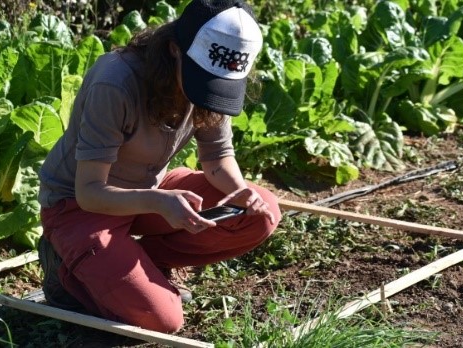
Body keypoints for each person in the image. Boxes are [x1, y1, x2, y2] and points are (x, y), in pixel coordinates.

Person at [37, 0, 281, 333]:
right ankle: (65, 272)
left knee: (262, 211)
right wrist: (157, 202)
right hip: (79, 207)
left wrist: (240, 193)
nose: (207, 92)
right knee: (163, 319)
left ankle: (147, 263)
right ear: (174, 49)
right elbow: (89, 191)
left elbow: (217, 158)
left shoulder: (210, 81)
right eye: (202, 79)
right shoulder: (116, 81)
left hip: (151, 191)